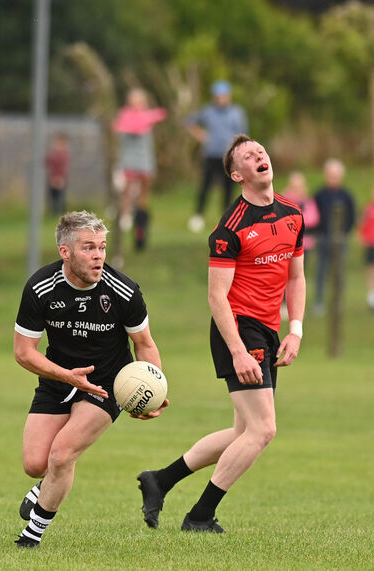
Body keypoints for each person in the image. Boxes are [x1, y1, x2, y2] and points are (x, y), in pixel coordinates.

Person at [136, 134, 305, 533]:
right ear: (236, 174)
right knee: (264, 430)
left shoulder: (293, 214)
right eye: (248, 155)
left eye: (261, 149)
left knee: (243, 431)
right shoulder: (231, 227)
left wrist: (294, 330)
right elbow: (216, 297)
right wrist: (239, 351)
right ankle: (200, 516)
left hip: (268, 330)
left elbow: (296, 278)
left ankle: (160, 480)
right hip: (238, 329)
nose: (259, 154)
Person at [12, 210, 168, 548]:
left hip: (107, 383)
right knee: (35, 463)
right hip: (58, 378)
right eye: (88, 248)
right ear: (65, 252)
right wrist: (66, 376)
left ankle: (32, 535)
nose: (98, 256)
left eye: (101, 247)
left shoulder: (123, 291)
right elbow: (24, 352)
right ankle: (46, 486)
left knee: (62, 455)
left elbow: (144, 344)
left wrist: (153, 386)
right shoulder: (41, 287)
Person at [186, 80, 248, 233]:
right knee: (205, 186)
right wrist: (201, 135)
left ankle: (227, 220)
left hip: (229, 157)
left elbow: (243, 134)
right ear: (214, 97)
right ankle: (198, 216)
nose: (221, 99)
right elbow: (190, 122)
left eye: (224, 96)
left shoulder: (237, 112)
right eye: (218, 96)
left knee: (228, 188)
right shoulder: (208, 111)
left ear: (229, 96)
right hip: (211, 154)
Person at [112, 88, 167, 250]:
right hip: (129, 159)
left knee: (144, 190)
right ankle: (126, 214)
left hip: (144, 160)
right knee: (127, 187)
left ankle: (141, 217)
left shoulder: (147, 117)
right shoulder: (124, 116)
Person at [312, 158, 356, 316]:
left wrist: (344, 233)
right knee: (321, 272)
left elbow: (352, 218)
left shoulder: (346, 196)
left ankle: (337, 303)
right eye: (330, 174)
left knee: (338, 273)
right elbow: (312, 216)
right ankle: (319, 303)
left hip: (340, 240)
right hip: (323, 239)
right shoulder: (319, 195)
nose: (332, 178)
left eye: (335, 175)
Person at [44, 133, 70, 217]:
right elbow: (47, 161)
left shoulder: (64, 154)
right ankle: (54, 213)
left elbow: (62, 166)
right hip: (52, 177)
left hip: (59, 178)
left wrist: (59, 177)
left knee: (60, 197)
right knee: (53, 197)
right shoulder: (54, 153)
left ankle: (61, 214)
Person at [358, 187, 374, 310]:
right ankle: (371, 295)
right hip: (370, 244)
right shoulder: (368, 209)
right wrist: (362, 237)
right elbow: (362, 224)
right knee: (370, 269)